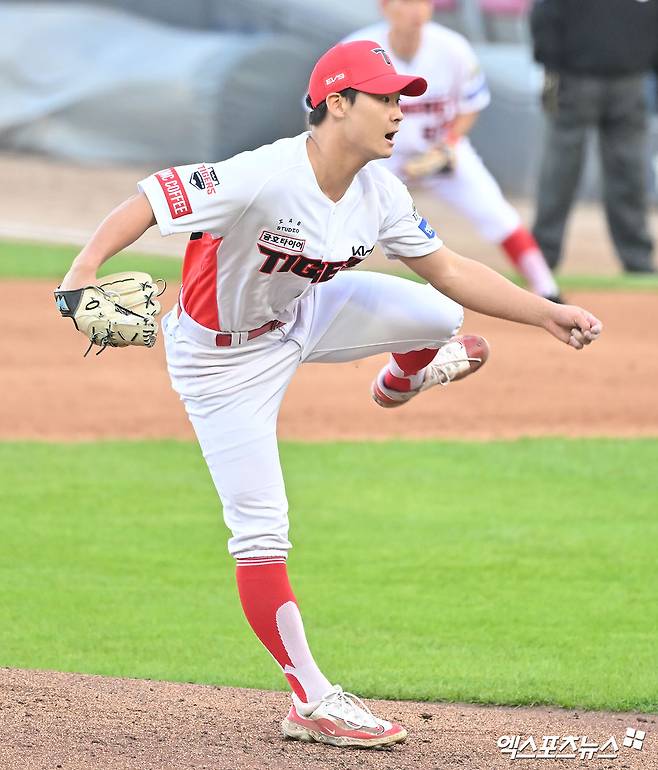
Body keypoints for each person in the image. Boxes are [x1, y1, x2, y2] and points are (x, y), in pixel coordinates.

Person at [57, 40, 601, 749]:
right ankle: (311, 698)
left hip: (307, 312)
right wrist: (82, 272)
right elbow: (154, 199)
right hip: (222, 364)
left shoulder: (380, 190)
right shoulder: (263, 176)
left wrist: (545, 311)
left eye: (402, 98)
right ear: (336, 104)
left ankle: (401, 378)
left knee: (440, 315)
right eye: (383, 98)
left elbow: (451, 270)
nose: (399, 112)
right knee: (260, 533)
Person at [342, 0, 564, 301]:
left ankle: (547, 290)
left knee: (498, 213)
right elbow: (322, 109)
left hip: (440, 152)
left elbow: (470, 105)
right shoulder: (355, 50)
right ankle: (319, 291)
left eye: (422, 1)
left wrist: (448, 143)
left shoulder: (452, 48)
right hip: (379, 158)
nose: (416, 10)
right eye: (406, 2)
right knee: (341, 221)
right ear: (384, 6)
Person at [530, 0, 657, 274]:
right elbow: (544, 13)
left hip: (630, 79)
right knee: (561, 171)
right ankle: (541, 258)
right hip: (574, 78)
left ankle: (637, 260)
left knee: (628, 172)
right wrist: (552, 62)